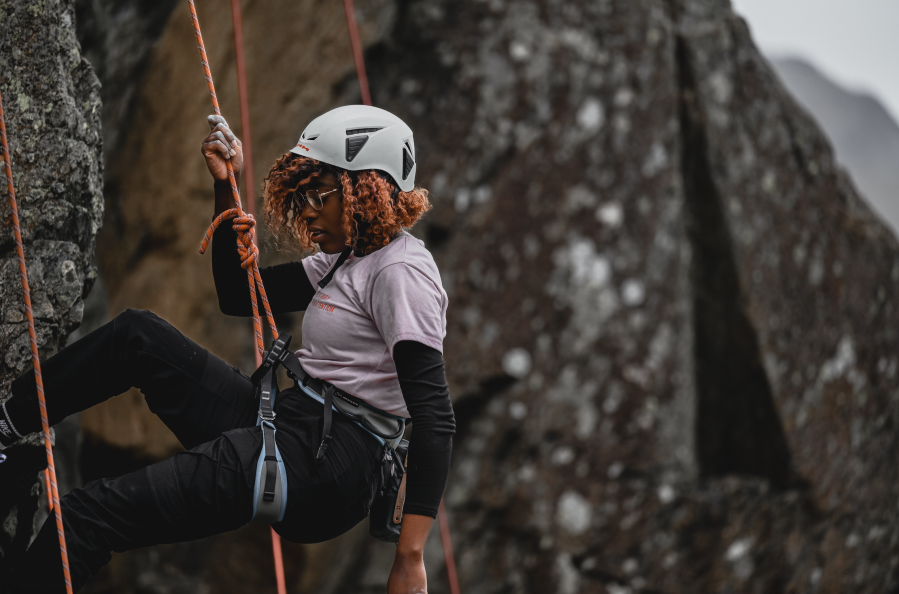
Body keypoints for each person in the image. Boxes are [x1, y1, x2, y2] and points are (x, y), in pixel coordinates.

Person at [0, 105, 454, 593]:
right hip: (292, 423)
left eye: (319, 194)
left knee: (85, 517)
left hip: (329, 465)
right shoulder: (345, 259)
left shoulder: (400, 273)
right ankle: (5, 425)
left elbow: (435, 417)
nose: (306, 209)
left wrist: (410, 558)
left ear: (368, 188)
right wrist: (225, 188)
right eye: (302, 196)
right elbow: (238, 295)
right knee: (138, 338)